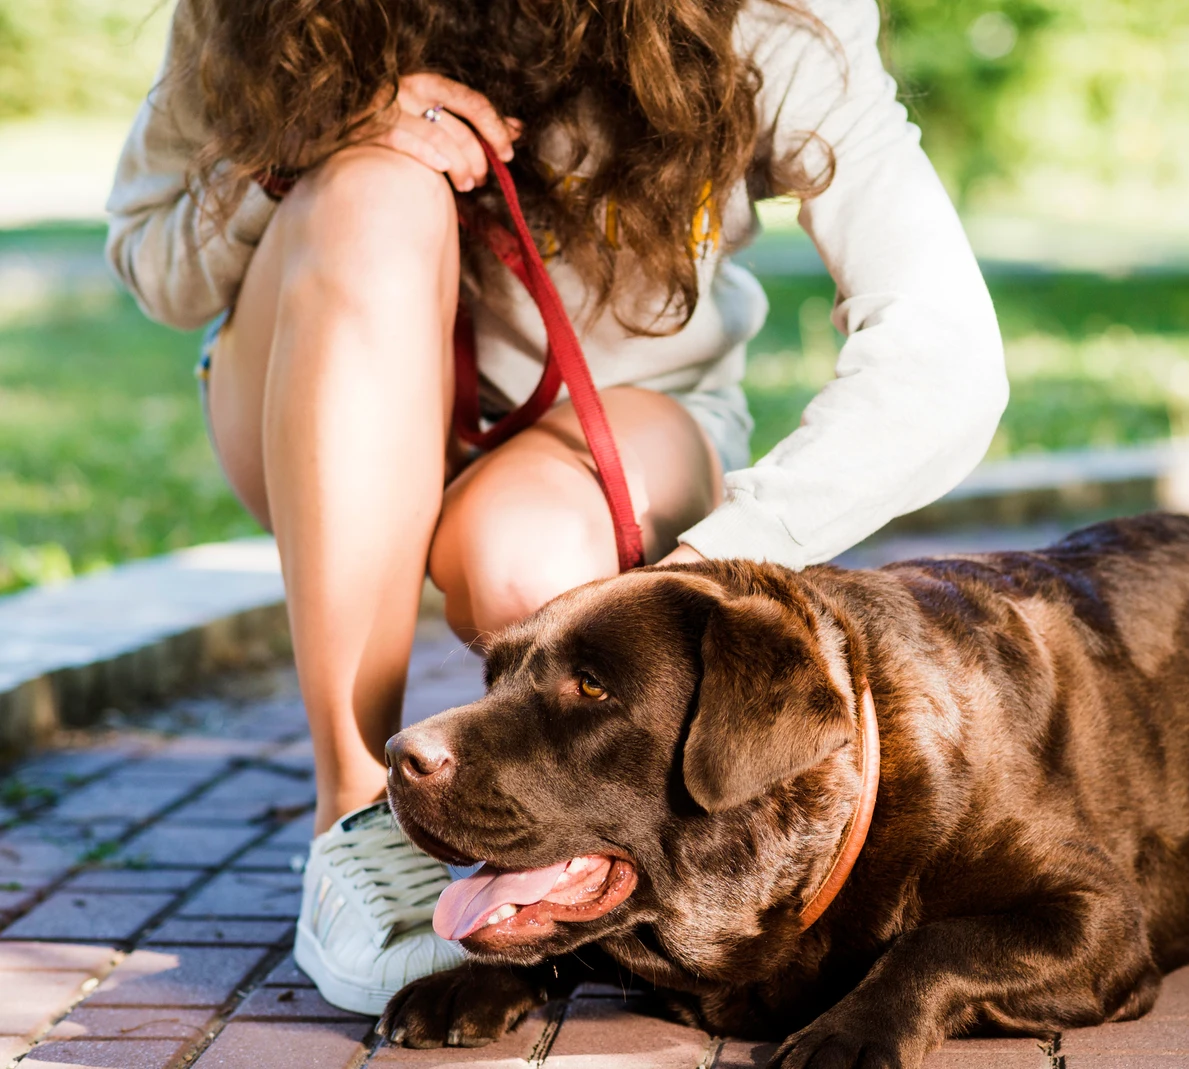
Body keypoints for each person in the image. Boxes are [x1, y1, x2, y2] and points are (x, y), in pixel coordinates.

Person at [105, 0, 1006, 1014]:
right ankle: (354, 817)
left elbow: (947, 363)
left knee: (535, 577)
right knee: (369, 193)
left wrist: (699, 573)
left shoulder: (771, 15)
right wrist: (302, 155)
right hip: (305, 392)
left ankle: (569, 857)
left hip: (613, 424)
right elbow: (149, 256)